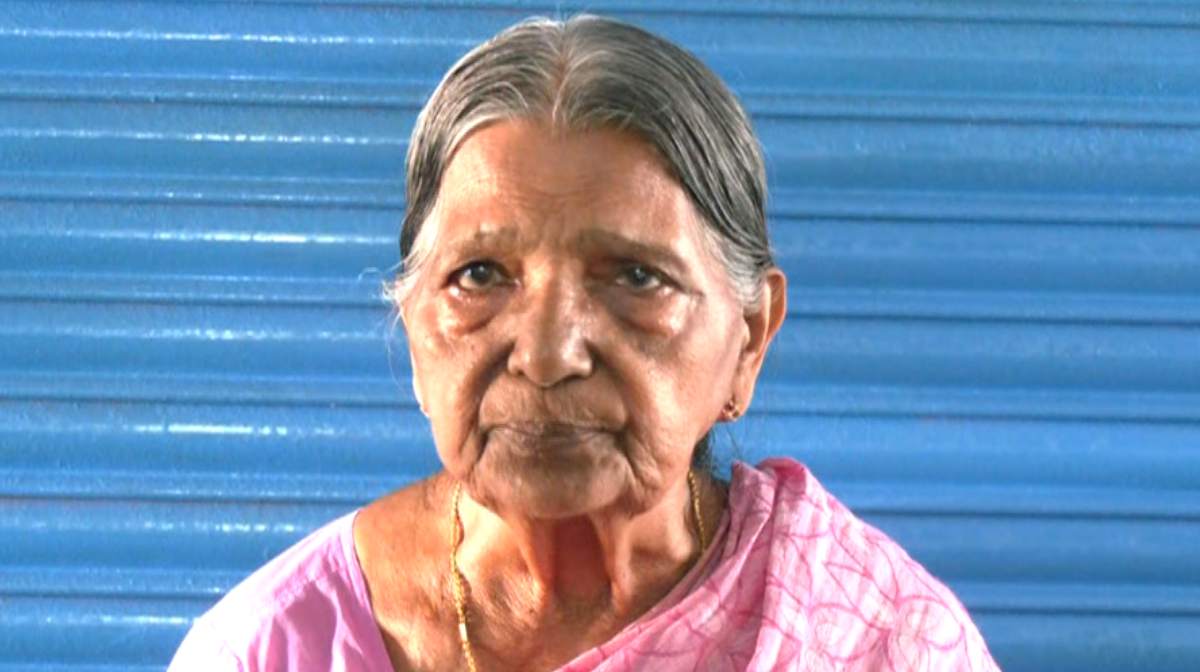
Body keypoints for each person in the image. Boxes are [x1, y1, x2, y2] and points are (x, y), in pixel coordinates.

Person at [169, 14, 1000, 672]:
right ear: (416, 329)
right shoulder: (272, 648)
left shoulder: (876, 644)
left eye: (635, 278)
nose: (546, 353)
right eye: (480, 275)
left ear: (748, 339)